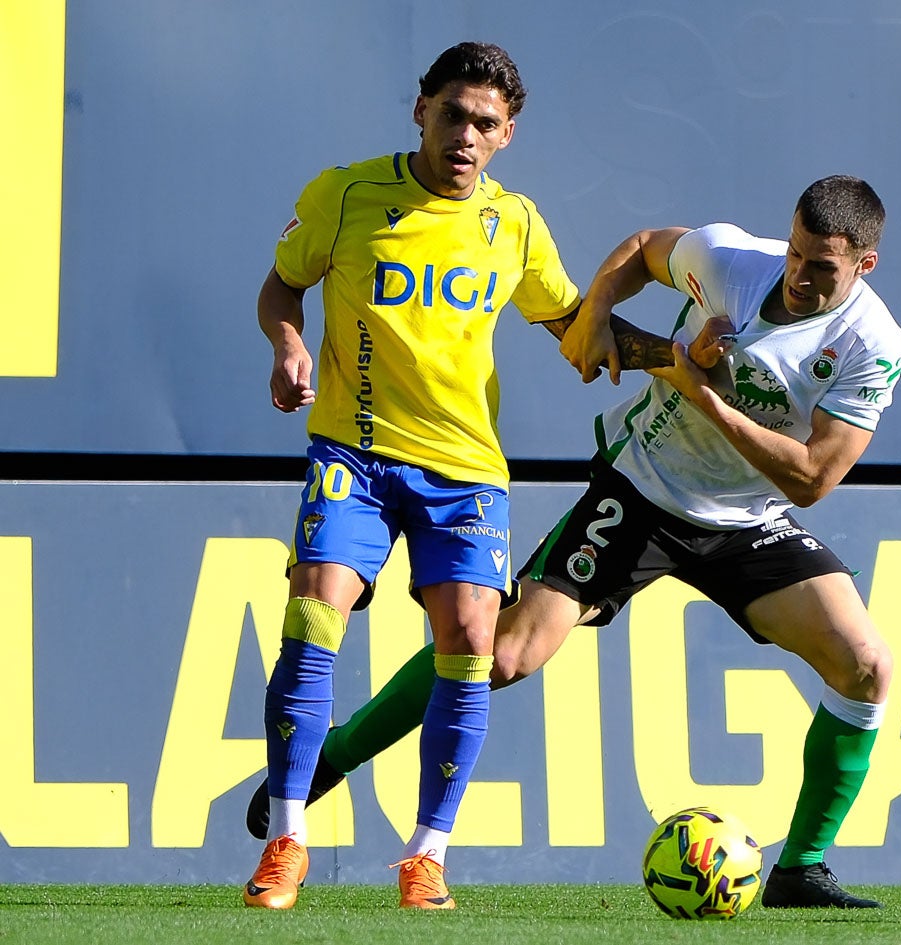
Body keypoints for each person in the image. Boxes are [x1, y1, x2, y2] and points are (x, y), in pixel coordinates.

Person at [247, 175, 901, 908]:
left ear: (863, 265)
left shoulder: (872, 343)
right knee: (500, 655)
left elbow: (813, 478)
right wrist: (596, 309)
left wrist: (705, 394)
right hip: (642, 489)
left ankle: (801, 867)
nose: (798, 273)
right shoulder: (731, 261)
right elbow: (642, 249)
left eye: (822, 266)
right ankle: (331, 756)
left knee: (866, 665)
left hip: (748, 519)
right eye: (794, 252)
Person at [244, 40, 675, 912]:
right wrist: (289, 346)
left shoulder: (513, 223)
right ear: (420, 111)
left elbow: (571, 326)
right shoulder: (347, 193)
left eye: (485, 123)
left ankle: (425, 855)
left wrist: (679, 361)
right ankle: (287, 840)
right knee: (312, 611)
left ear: (507, 134)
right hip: (354, 454)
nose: (464, 137)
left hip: (466, 468)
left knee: (474, 640)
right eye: (452, 116)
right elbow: (280, 289)